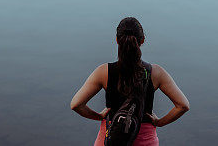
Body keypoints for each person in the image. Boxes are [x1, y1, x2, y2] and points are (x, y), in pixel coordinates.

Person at [70, 17, 190, 145]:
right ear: (142, 41)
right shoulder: (156, 73)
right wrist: (159, 122)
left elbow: (76, 104)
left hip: (110, 138)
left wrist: (98, 116)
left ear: (117, 40)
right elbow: (183, 105)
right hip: (145, 140)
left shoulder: (103, 72)